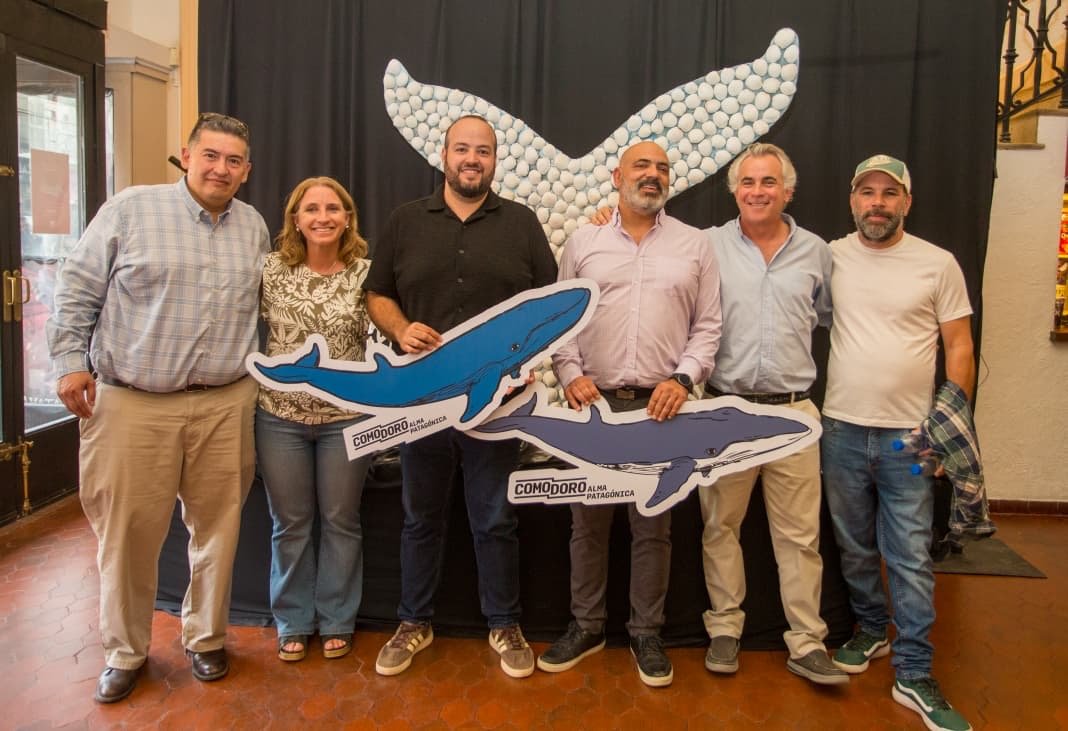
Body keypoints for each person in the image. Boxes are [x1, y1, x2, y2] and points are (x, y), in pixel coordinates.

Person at [47, 113, 268, 703]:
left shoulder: (254, 227)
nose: (221, 169)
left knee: (218, 531)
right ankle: (125, 652)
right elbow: (77, 286)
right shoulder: (131, 210)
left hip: (225, 403)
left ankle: (206, 637)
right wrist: (69, 360)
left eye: (233, 161)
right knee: (127, 536)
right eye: (210, 155)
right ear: (186, 156)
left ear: (247, 171)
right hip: (133, 403)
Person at [364, 115, 557, 678]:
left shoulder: (521, 224)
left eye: (483, 151)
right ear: (444, 155)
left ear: (495, 160)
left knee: (494, 519)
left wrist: (527, 362)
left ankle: (504, 623)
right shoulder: (405, 221)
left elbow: (549, 303)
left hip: (496, 403)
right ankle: (413, 622)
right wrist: (400, 329)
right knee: (419, 517)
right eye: (463, 149)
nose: (473, 159)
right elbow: (377, 294)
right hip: (423, 403)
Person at [537, 141, 722, 687]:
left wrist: (683, 379)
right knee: (587, 526)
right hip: (592, 404)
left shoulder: (694, 245)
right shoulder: (584, 242)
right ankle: (586, 626)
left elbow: (708, 326)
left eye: (662, 168)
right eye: (642, 166)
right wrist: (570, 375)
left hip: (661, 407)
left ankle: (646, 632)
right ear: (617, 176)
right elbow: (560, 319)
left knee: (653, 529)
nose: (653, 175)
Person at [821, 155, 975, 731]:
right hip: (840, 429)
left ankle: (913, 669)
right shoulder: (830, 256)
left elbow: (960, 347)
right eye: (867, 192)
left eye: (890, 193)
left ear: (907, 202)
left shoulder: (937, 263)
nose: (878, 203)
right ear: (852, 200)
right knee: (854, 544)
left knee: (909, 552)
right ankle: (870, 628)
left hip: (912, 439)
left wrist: (947, 429)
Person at [698, 143, 847, 685]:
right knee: (720, 526)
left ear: (788, 191)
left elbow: (826, 317)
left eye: (768, 182)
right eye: (748, 182)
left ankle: (807, 642)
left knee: (800, 537)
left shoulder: (817, 252)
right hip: (727, 411)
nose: (757, 191)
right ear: (734, 190)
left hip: (793, 415)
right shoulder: (708, 245)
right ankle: (724, 629)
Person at [256, 177, 373, 663]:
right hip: (279, 418)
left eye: (332, 208)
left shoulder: (366, 274)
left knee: (341, 520)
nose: (322, 217)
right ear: (296, 219)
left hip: (345, 420)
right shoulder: (270, 269)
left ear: (347, 218)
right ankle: (293, 621)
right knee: (290, 523)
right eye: (311, 209)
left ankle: (337, 619)